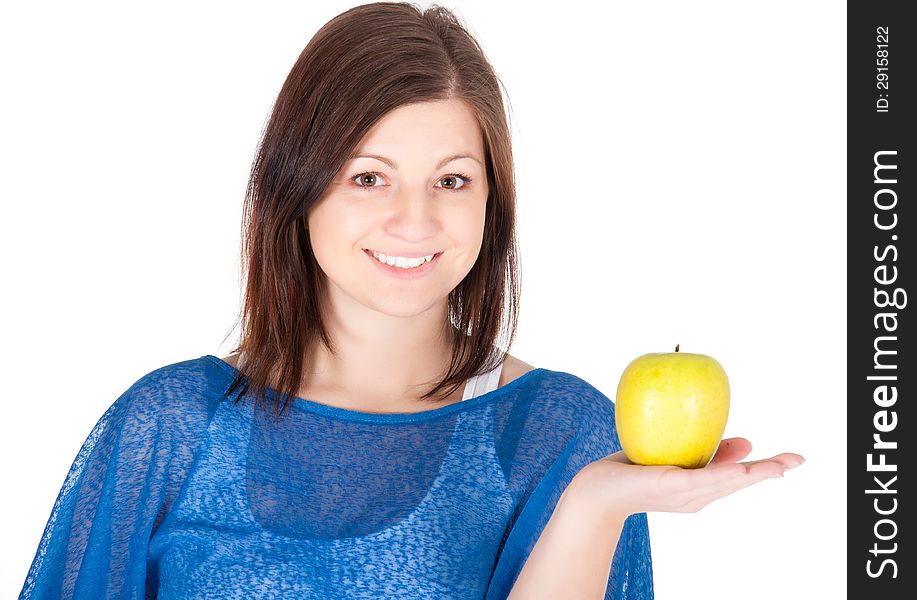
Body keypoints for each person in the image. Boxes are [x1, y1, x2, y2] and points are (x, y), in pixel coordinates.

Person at [18, 2, 803, 599]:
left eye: (452, 180)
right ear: (297, 188)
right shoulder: (170, 423)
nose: (415, 220)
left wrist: (594, 510)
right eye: (369, 177)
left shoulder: (560, 433)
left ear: (491, 201)